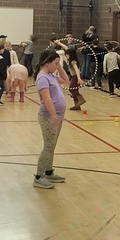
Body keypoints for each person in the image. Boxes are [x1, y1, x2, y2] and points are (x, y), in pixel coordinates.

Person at [33, 49, 70, 189]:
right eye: (55, 63)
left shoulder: (51, 76)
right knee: (48, 146)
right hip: (48, 117)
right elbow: (47, 98)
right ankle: (38, 176)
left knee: (52, 145)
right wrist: (54, 115)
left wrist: (59, 67)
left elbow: (66, 80)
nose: (57, 66)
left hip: (57, 117)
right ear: (47, 63)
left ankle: (48, 171)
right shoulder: (42, 78)